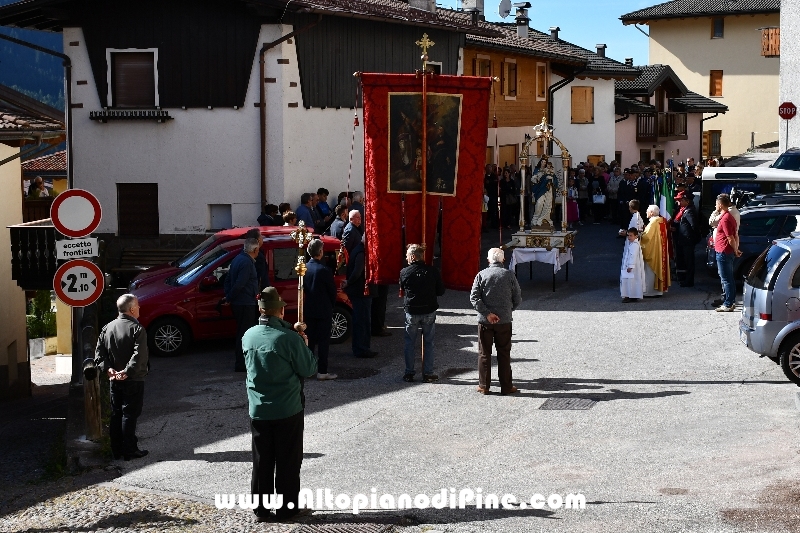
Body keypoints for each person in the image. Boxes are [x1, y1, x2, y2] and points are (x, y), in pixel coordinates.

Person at [243, 286, 317, 522]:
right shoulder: (289, 339)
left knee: (262, 461)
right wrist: (302, 342)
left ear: (261, 310)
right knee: (288, 461)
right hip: (287, 408)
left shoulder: (249, 335)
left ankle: (261, 510)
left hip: (259, 408)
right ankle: (287, 509)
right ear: (281, 312)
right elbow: (309, 368)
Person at [94, 294, 149, 460]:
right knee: (129, 414)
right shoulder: (137, 329)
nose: (139, 308)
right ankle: (130, 449)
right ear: (132, 309)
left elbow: (99, 353)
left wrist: (108, 369)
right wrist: (127, 371)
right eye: (138, 305)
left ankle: (116, 449)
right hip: (133, 379)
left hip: (114, 379)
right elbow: (139, 355)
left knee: (116, 413)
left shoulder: (107, 328)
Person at [469, 248, 522, 395]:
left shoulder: (481, 274)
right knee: (504, 353)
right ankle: (506, 386)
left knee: (484, 353)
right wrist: (507, 311)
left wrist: (487, 314)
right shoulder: (509, 275)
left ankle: (484, 386)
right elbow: (518, 298)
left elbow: (474, 298)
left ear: (488, 260)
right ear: (503, 260)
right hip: (504, 321)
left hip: (485, 321)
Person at [399, 244, 445, 383]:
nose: (406, 258)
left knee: (409, 343)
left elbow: (402, 288)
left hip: (412, 311)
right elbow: (441, 291)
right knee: (429, 342)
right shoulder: (432, 271)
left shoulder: (405, 272)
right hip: (428, 310)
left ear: (412, 256)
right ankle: (428, 373)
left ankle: (409, 373)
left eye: (407, 255)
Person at [224, 238, 260, 372]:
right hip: (245, 303)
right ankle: (242, 363)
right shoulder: (246, 263)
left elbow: (228, 280)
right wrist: (229, 297)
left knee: (241, 332)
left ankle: (242, 362)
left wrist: (229, 296)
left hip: (240, 302)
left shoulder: (238, 259)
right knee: (245, 334)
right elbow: (240, 283)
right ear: (255, 250)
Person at [304, 239, 337, 380]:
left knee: (310, 341)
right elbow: (332, 291)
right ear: (320, 252)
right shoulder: (324, 270)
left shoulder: (304, 268)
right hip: (323, 309)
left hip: (310, 308)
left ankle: (309, 369)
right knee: (323, 342)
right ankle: (322, 371)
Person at [343, 235, 376, 358]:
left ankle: (361, 347)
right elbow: (358, 271)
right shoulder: (362, 252)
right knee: (362, 321)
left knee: (361, 320)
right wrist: (349, 282)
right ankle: (361, 348)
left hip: (358, 291)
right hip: (361, 292)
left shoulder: (358, 249)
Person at [713, 194, 742, 312]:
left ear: (720, 204)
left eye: (716, 203)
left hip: (724, 251)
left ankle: (729, 303)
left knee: (726, 279)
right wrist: (736, 248)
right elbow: (735, 235)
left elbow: (730, 237)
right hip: (724, 250)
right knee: (727, 277)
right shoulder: (728, 216)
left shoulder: (725, 218)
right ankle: (730, 301)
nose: (715, 205)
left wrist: (735, 250)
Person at [640, 205, 671, 297]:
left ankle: (650, 292)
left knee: (649, 271)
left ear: (652, 213)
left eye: (647, 211)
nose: (646, 212)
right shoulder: (661, 221)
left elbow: (646, 237)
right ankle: (658, 291)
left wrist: (638, 235)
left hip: (653, 251)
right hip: (660, 250)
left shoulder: (653, 223)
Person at [672, 190, 700, 287]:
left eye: (680, 200)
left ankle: (689, 281)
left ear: (687, 201)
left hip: (688, 241)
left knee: (689, 262)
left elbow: (694, 226)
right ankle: (683, 277)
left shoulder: (689, 211)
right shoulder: (683, 210)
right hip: (683, 240)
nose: (678, 202)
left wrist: (692, 238)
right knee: (684, 260)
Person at [620, 228, 646, 302]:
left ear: (636, 236)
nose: (629, 237)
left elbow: (633, 256)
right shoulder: (634, 244)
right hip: (634, 267)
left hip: (632, 267)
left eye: (631, 236)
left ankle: (630, 295)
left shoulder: (634, 245)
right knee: (634, 280)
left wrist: (630, 266)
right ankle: (634, 295)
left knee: (630, 281)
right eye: (628, 235)